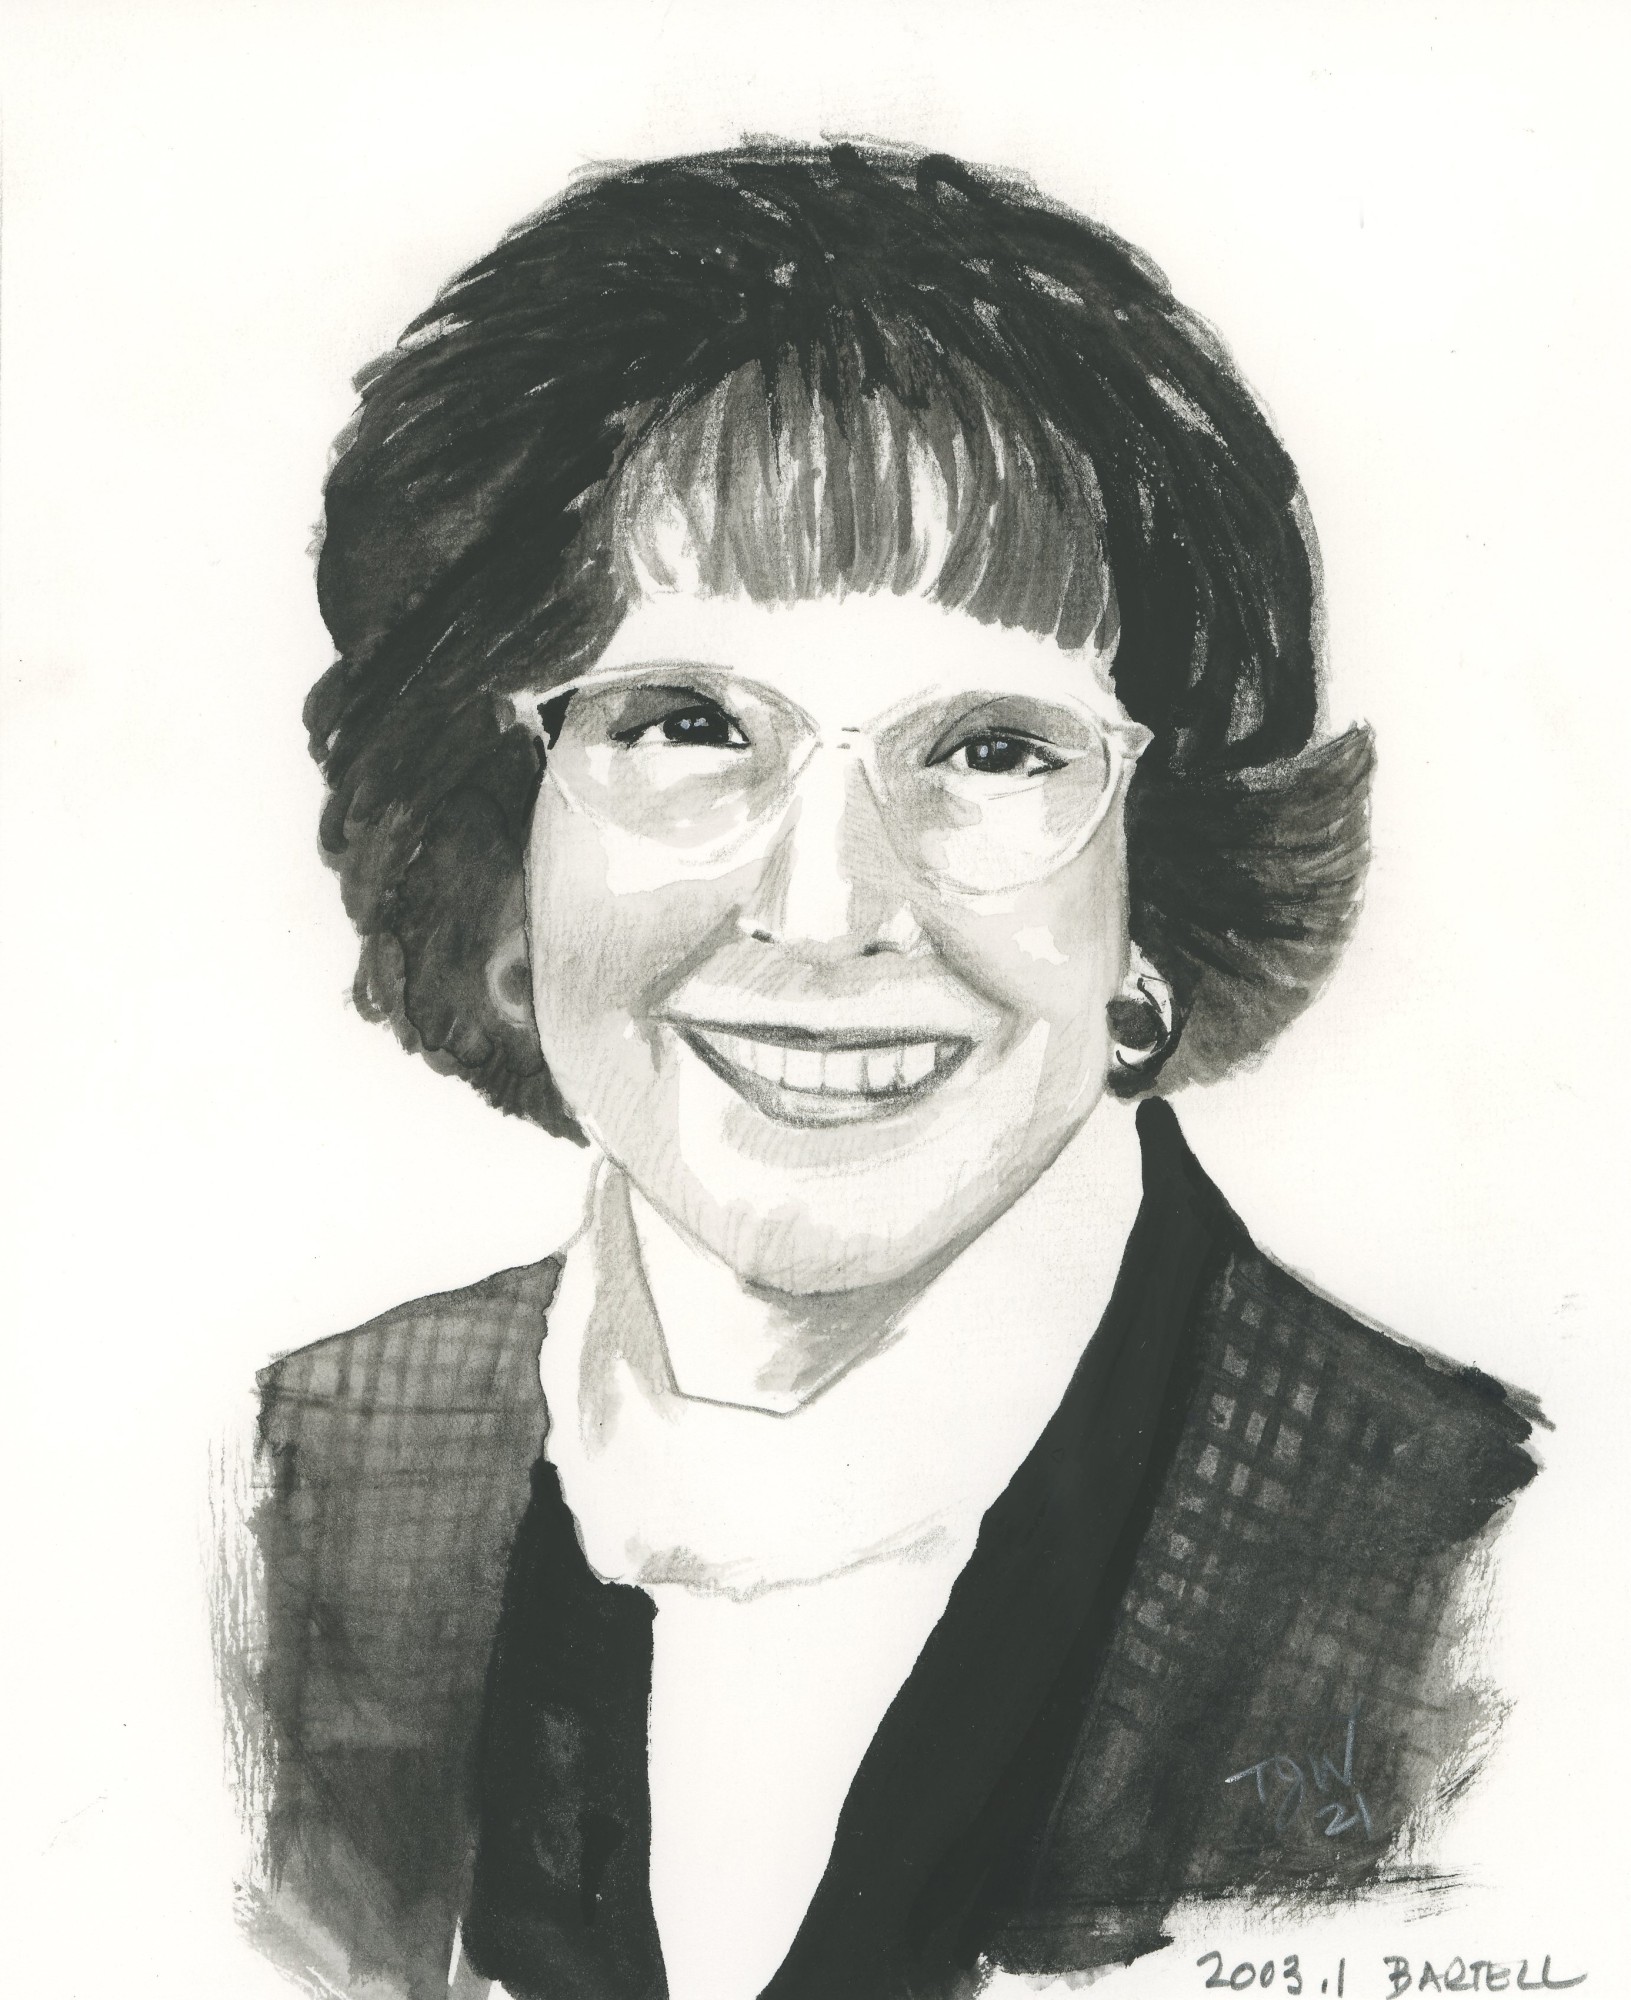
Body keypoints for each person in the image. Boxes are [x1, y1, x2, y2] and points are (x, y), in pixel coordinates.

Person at [247, 142, 1540, 2000]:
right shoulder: (295, 1482)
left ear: (1155, 899)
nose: (825, 907)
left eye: (994, 749)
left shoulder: (1481, 1576)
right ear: (496, 838)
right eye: (687, 724)